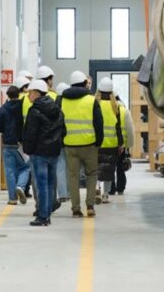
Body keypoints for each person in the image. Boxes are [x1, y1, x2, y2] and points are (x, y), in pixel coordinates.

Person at [22, 80, 66, 227]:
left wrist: (28, 149)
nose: (28, 95)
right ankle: (48, 212)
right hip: (54, 152)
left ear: (36, 93)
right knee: (50, 184)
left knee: (41, 185)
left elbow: (31, 133)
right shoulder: (57, 109)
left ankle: (43, 216)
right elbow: (63, 131)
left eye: (30, 92)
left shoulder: (34, 111)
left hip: (39, 153)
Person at [60, 70, 103, 218]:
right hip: (89, 144)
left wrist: (62, 140)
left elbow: (58, 123)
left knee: (73, 177)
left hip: (70, 144)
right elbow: (98, 123)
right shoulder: (91, 100)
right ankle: (90, 206)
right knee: (91, 174)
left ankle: (75, 209)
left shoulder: (62, 100)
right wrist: (99, 141)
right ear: (85, 83)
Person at [0, 85, 30, 205]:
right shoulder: (23, 107)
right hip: (20, 145)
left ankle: (12, 198)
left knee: (10, 171)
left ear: (8, 95)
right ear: (18, 94)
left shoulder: (3, 108)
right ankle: (20, 186)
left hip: (7, 144)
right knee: (25, 167)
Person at [95, 78, 127, 203]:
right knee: (109, 170)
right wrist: (121, 143)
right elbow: (118, 127)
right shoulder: (116, 106)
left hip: (97, 142)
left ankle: (97, 188)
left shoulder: (95, 104)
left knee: (96, 168)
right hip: (111, 143)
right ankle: (105, 195)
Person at [110, 93, 135, 196]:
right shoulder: (125, 110)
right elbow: (130, 129)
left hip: (109, 143)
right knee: (120, 167)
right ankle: (120, 188)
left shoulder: (107, 110)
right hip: (122, 145)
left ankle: (110, 189)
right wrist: (129, 145)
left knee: (110, 166)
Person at [54, 82, 71, 202]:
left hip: (58, 140)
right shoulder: (70, 104)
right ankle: (69, 192)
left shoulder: (54, 106)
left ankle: (62, 193)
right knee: (70, 168)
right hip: (71, 140)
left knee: (59, 167)